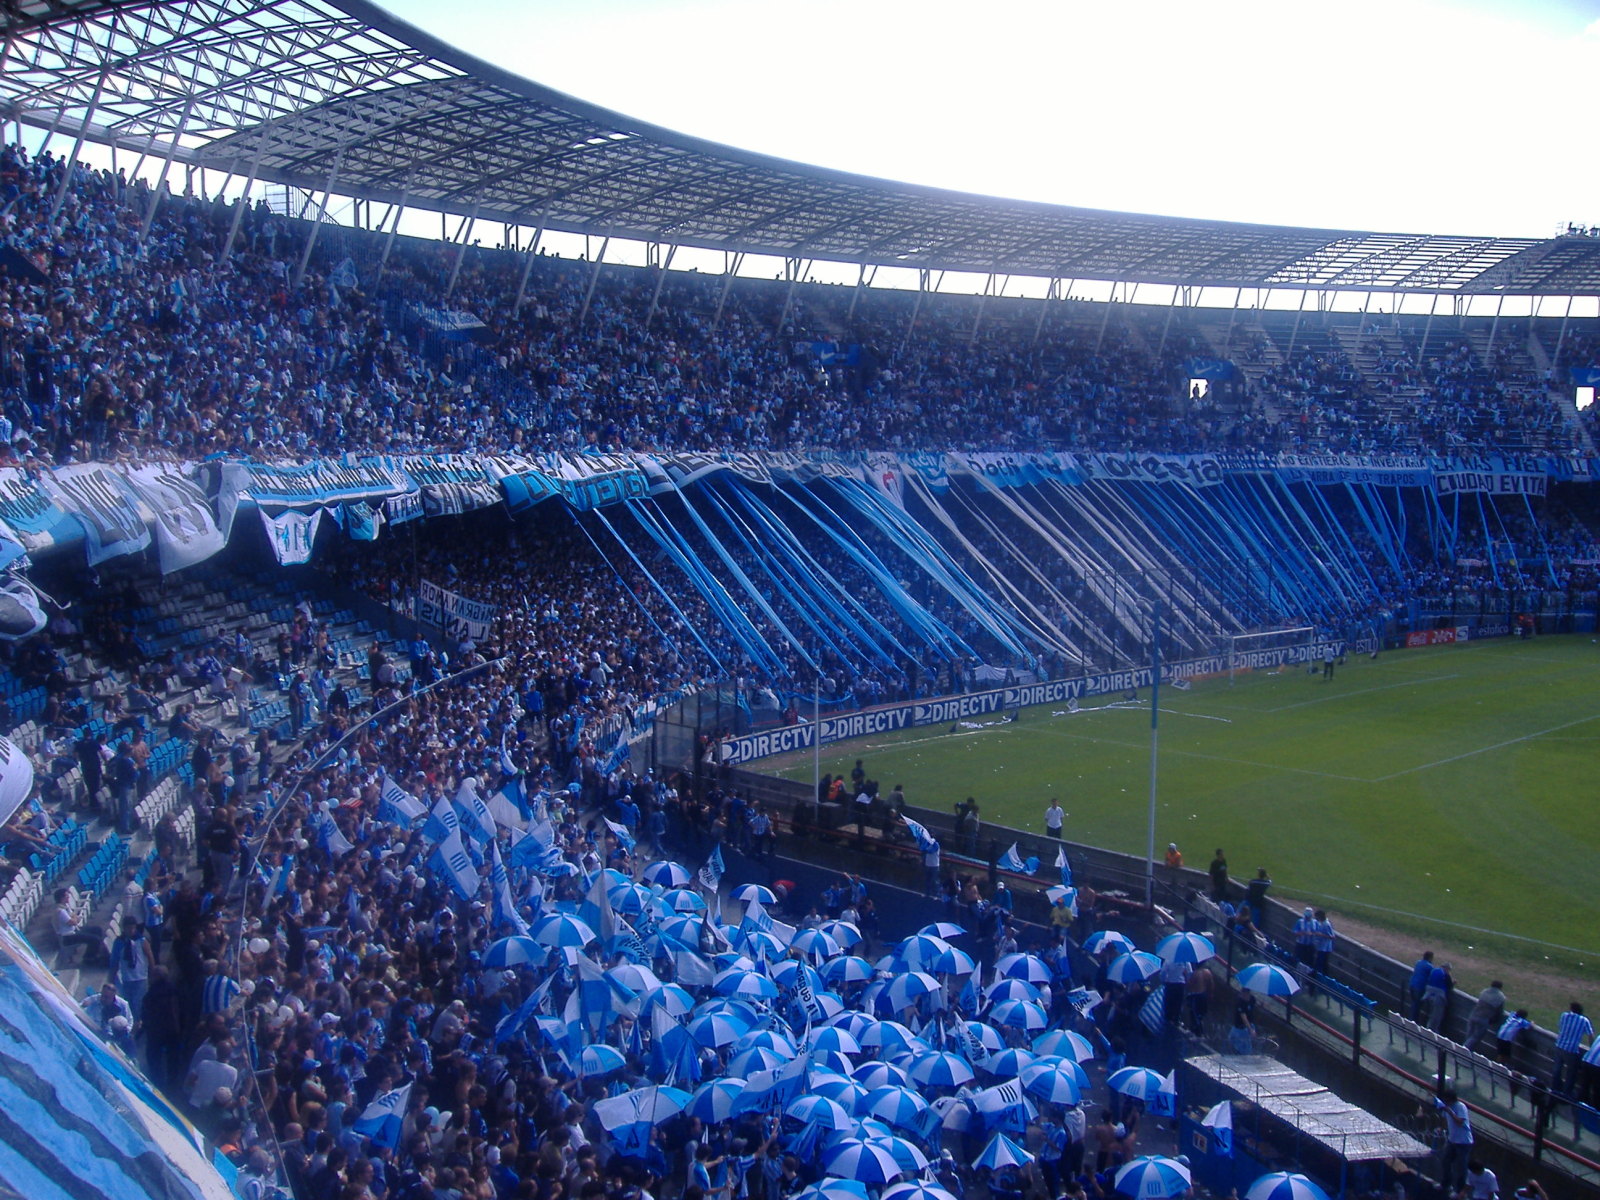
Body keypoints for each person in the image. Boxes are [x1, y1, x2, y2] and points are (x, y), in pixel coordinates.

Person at [1432, 1087, 1473, 1193]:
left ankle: (1459, 1190)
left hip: (1463, 1142)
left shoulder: (1460, 1107)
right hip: (1452, 1140)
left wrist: (1449, 1111)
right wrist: (1442, 1129)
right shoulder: (1447, 1107)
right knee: (1445, 1161)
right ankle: (1446, 1184)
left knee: (1461, 1168)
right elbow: (1446, 1120)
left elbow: (1460, 1121)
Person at [53, 887, 103, 964]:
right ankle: (88, 958)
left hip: (75, 930)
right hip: (68, 937)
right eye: (67, 896)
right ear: (62, 898)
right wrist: (74, 918)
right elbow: (73, 922)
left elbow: (74, 916)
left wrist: (74, 918)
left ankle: (95, 953)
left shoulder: (65, 906)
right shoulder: (61, 911)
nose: (69, 897)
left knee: (97, 929)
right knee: (95, 939)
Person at [1553, 1001, 1593, 1095]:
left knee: (1557, 1071)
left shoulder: (1564, 1015)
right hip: (1571, 1050)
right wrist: (1591, 1048)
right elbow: (1590, 1034)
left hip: (1559, 1046)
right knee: (1571, 1074)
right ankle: (1566, 1094)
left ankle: (1555, 1090)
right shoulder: (1584, 1020)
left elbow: (1560, 1026)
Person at [1463, 981, 1507, 1052]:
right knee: (1476, 1037)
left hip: (1474, 1015)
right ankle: (1463, 1050)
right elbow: (1499, 1011)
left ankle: (1465, 1050)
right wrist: (1494, 1020)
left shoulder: (1484, 992)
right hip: (1484, 1019)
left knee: (1469, 1035)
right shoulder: (1501, 997)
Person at [1409, 951, 1435, 1021]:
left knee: (1414, 1004)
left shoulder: (1418, 962)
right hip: (1419, 987)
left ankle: (1411, 1019)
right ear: (1430, 958)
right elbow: (1432, 976)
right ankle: (1413, 1022)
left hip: (1412, 985)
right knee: (1417, 1006)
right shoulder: (1429, 966)